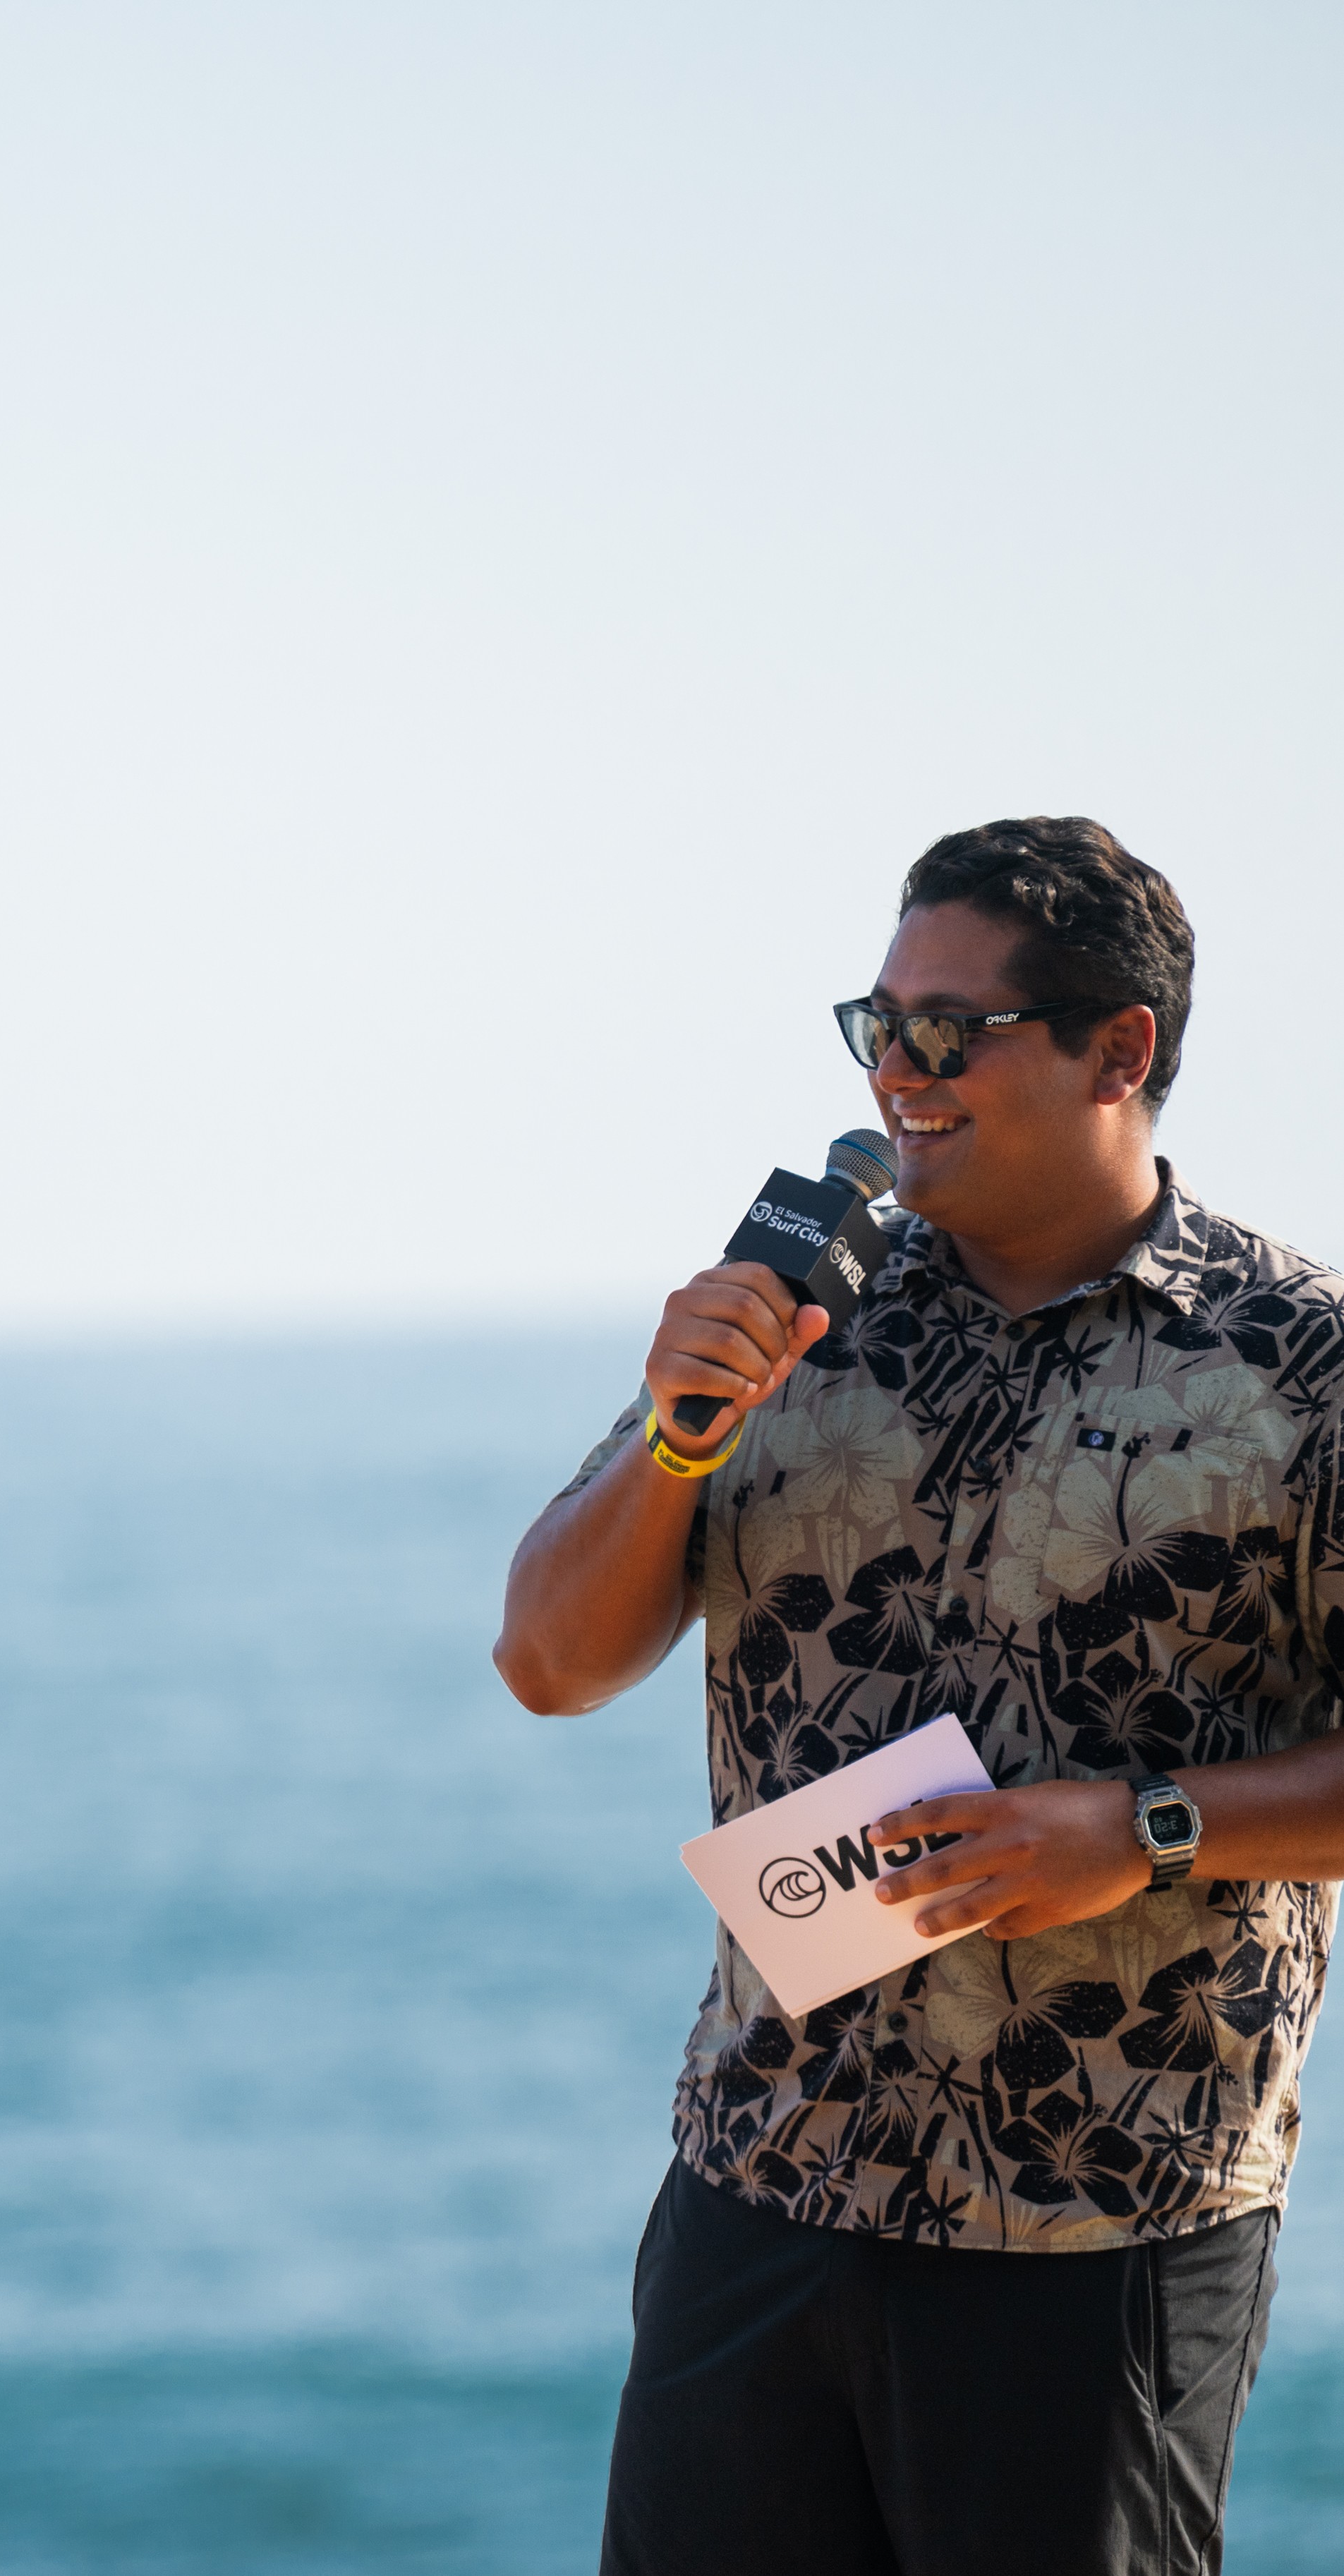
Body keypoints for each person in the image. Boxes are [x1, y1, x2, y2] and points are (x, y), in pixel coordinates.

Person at [495, 818, 1344, 2575]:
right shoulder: (798, 1313)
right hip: (760, 2188)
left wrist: (1142, 1828)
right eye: (877, 1025)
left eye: (949, 1030)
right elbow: (549, 1662)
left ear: (1119, 1049)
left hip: (1097, 2224)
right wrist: (679, 1434)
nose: (898, 1072)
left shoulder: (1301, 1363)